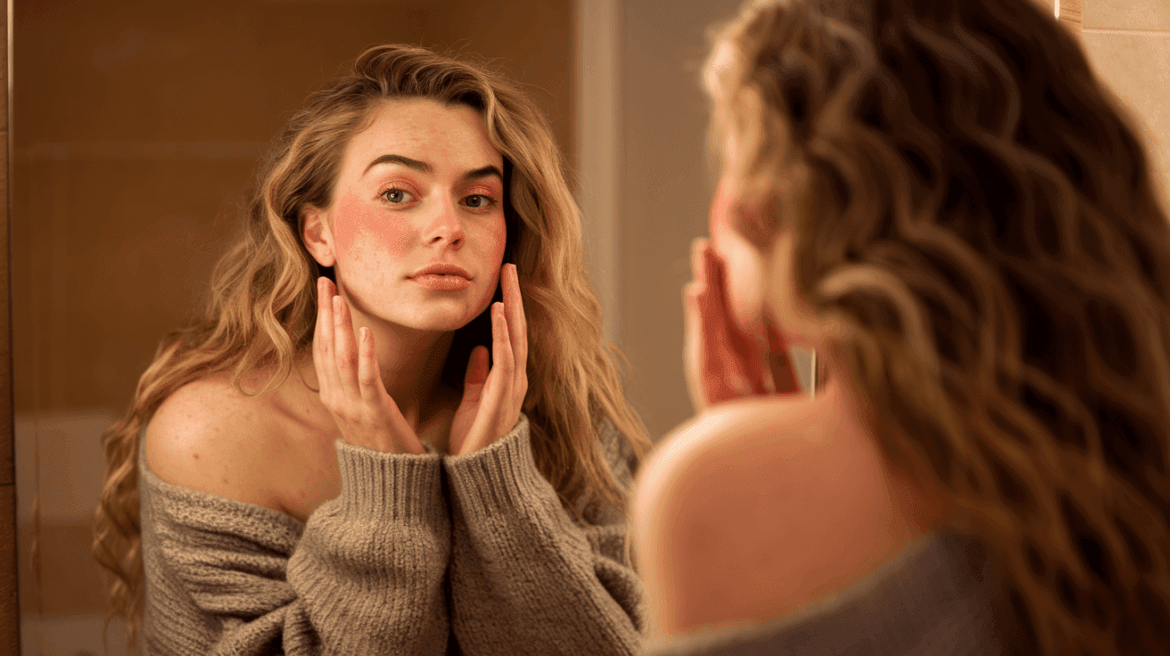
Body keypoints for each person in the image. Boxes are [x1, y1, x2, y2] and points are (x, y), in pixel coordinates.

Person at [632, 0, 1170, 655]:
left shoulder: (703, 497)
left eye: (737, 146)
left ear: (768, 207)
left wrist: (746, 453)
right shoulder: (1132, 465)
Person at [92, 43, 653, 655]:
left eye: (477, 199)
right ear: (318, 232)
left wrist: (501, 488)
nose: (449, 226)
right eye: (397, 194)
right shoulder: (210, 433)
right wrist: (386, 497)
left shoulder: (562, 407)